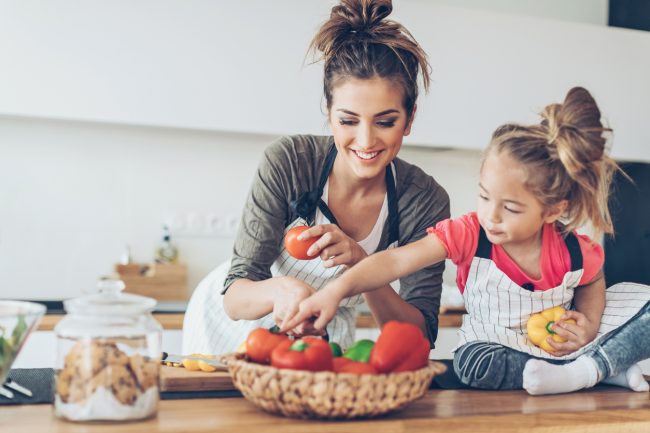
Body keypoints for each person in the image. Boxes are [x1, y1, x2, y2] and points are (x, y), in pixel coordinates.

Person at [282, 87, 650, 395]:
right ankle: (599, 369)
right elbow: (394, 262)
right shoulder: (469, 232)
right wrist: (334, 291)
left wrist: (587, 320)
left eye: (510, 207)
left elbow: (592, 279)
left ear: (554, 210)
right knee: (471, 365)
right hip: (496, 347)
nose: (491, 215)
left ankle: (584, 369)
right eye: (484, 196)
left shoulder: (573, 248)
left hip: (560, 347)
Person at [182, 0, 450, 354]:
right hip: (229, 329)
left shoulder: (424, 200)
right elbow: (235, 295)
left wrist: (364, 266)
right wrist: (283, 289)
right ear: (328, 111)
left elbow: (419, 335)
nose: (366, 141)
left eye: (385, 122)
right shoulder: (291, 161)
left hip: (321, 338)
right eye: (348, 120)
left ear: (410, 118)